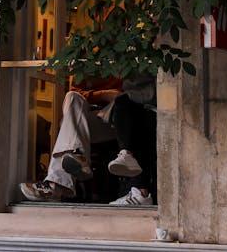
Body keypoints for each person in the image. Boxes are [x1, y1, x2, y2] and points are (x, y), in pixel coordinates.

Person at [19, 74, 156, 206]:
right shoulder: (85, 54)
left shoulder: (123, 56)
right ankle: (75, 157)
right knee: (72, 97)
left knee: (120, 106)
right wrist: (102, 94)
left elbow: (134, 93)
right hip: (89, 120)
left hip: (118, 119)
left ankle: (57, 184)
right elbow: (76, 91)